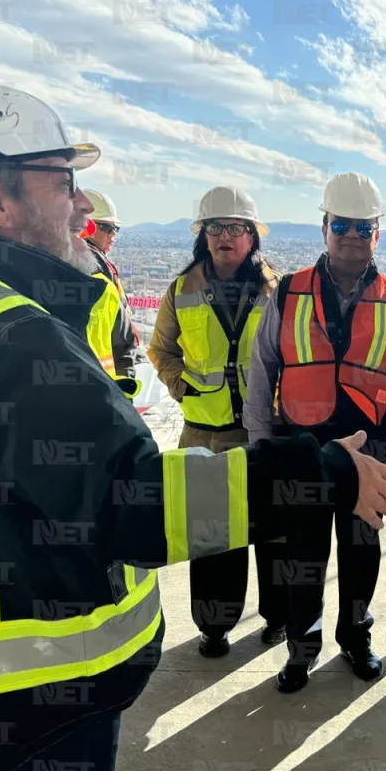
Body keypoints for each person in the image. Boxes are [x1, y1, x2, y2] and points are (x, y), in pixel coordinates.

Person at [0, 81, 386, 771]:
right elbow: (136, 502)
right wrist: (326, 471)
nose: (84, 207)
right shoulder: (3, 331)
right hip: (33, 702)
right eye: (63, 180)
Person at [246, 171, 386, 692]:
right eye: (341, 224)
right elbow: (262, 372)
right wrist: (260, 448)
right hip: (302, 449)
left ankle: (355, 636)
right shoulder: (290, 292)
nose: (352, 235)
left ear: (376, 235)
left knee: (361, 550)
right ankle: (302, 648)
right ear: (325, 228)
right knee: (302, 555)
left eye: (362, 227)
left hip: (368, 455)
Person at [147, 186, 288, 658]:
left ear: (251, 237)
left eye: (236, 228)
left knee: (272, 531)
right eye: (216, 228)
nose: (225, 236)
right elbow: (160, 347)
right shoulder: (180, 290)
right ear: (204, 236)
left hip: (264, 431)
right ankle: (213, 626)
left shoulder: (278, 290)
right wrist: (179, 385)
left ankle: (278, 617)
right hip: (204, 432)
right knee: (211, 536)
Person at [79, 188, 140, 381]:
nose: (113, 234)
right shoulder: (92, 265)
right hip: (105, 371)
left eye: (115, 228)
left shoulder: (91, 262)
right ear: (84, 226)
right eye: (105, 227)